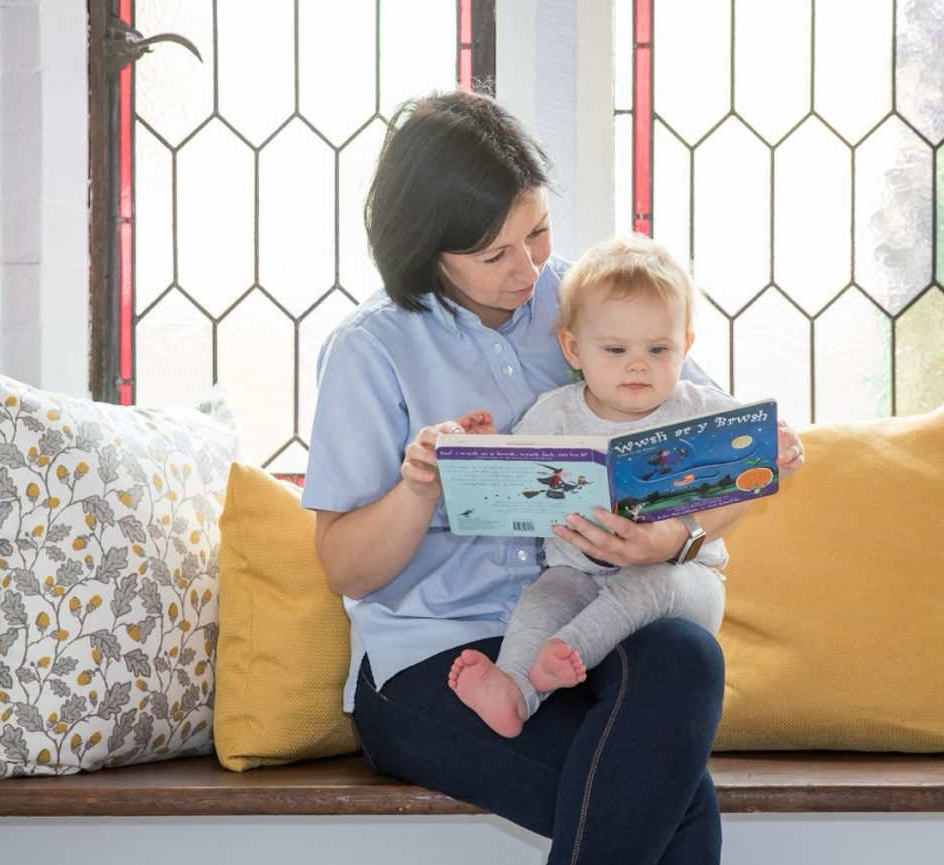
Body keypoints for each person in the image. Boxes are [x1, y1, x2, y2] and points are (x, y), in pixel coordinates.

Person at [302, 90, 804, 865]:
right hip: (438, 661)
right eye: (494, 253)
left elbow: (721, 458)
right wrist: (418, 488)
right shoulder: (370, 349)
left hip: (585, 633)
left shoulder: (590, 296)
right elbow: (343, 563)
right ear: (427, 246)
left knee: (687, 654)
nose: (527, 269)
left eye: (536, 233)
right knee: (673, 813)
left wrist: (674, 535)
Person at [446, 236, 805, 739]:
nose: (638, 365)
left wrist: (780, 458)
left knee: (652, 580)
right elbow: (514, 476)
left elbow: (746, 478)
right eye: (615, 350)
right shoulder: (556, 413)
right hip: (577, 573)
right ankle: (515, 691)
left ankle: (568, 652)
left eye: (658, 349)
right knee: (543, 597)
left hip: (683, 580)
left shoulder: (702, 411)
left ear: (687, 345)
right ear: (573, 348)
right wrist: (485, 450)